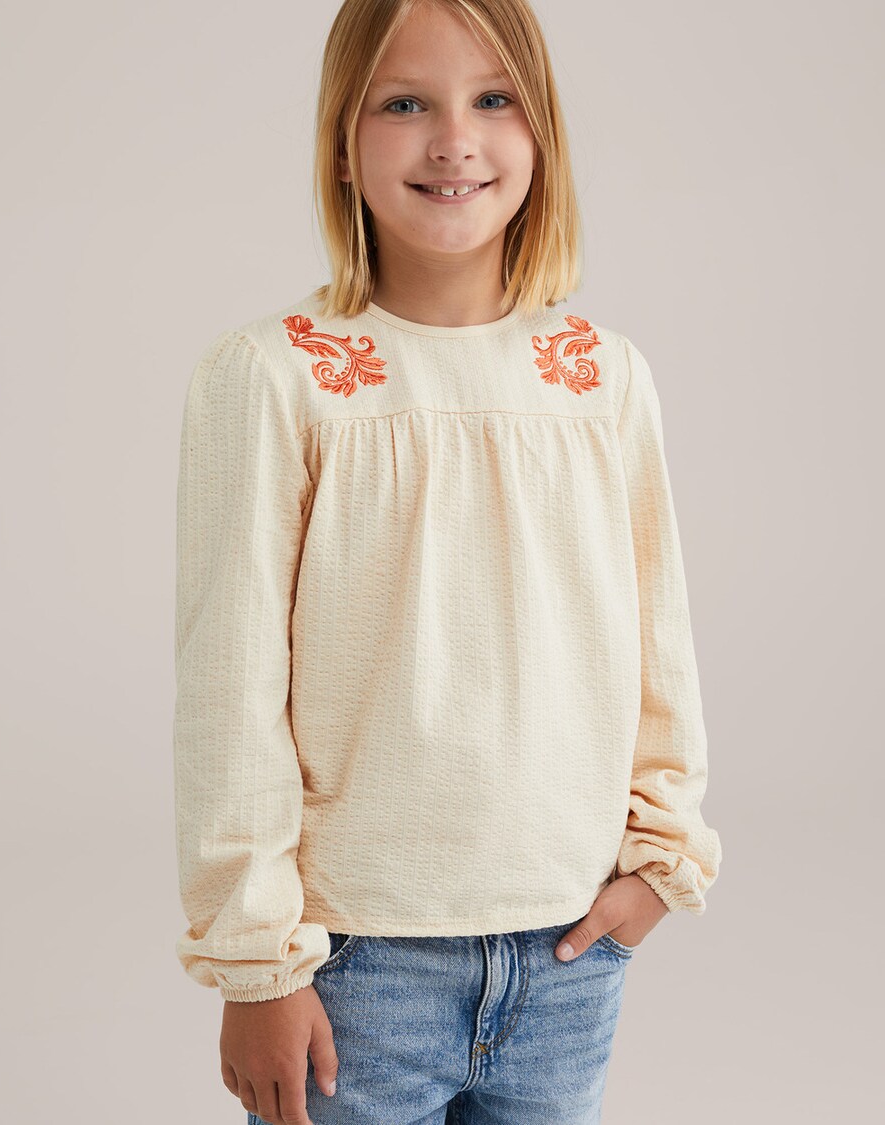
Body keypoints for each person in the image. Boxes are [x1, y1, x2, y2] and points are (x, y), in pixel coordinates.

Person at [172, 1, 722, 1122]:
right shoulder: (278, 377)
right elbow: (230, 687)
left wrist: (663, 859)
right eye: (405, 103)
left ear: (541, 133)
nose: (453, 140)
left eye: (493, 99)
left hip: (569, 949)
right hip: (356, 962)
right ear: (343, 142)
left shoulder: (601, 377)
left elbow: (657, 637)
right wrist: (257, 963)